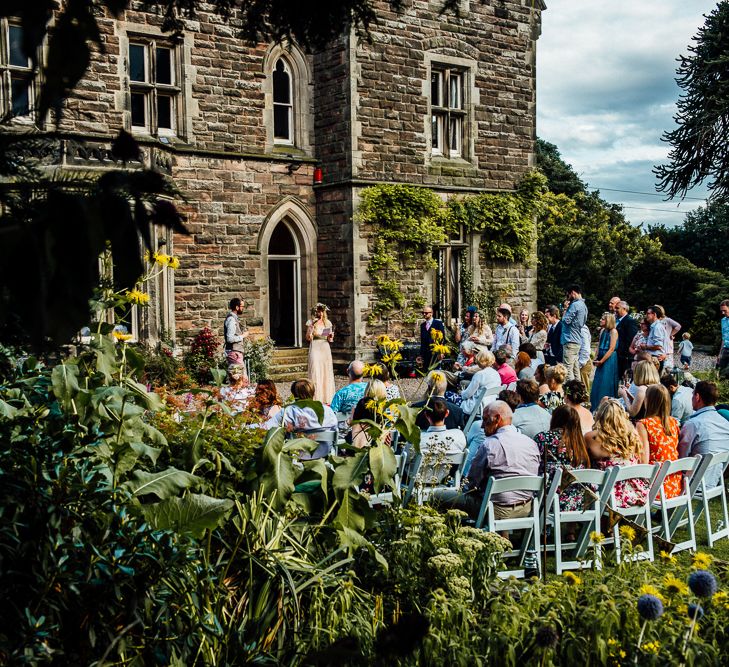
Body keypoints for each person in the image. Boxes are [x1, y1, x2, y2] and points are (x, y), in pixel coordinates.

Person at [442, 401, 540, 519]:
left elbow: (471, 483)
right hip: (526, 508)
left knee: (438, 497)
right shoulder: (530, 443)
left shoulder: (490, 445)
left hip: (494, 509)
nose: (483, 425)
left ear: (497, 418)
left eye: (485, 419)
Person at [585, 400, 648, 508]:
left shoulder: (592, 437)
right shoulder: (632, 436)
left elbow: (584, 461)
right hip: (636, 492)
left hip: (607, 494)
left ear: (599, 415)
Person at [534, 405, 591, 511]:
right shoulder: (580, 443)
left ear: (555, 419)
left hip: (550, 500)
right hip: (578, 502)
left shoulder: (543, 438)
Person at [678, 381, 729, 487]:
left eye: (692, 394)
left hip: (693, 481)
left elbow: (681, 459)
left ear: (697, 397)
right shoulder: (724, 422)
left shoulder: (693, 424)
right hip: (714, 480)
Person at [637, 385, 682, 499]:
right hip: (674, 484)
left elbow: (643, 461)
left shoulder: (644, 424)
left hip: (654, 485)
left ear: (649, 401)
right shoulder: (673, 423)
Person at [413, 398, 467, 485]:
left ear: (426, 415)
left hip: (417, 480)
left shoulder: (417, 439)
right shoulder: (459, 436)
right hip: (443, 479)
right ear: (447, 414)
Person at [263, 379, 338, 431]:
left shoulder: (288, 411)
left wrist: (251, 427)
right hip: (326, 451)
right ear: (313, 393)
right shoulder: (327, 410)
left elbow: (267, 426)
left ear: (294, 395)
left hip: (298, 452)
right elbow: (335, 429)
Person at [305, 303, 335, 403]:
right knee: (315, 369)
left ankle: (326, 397)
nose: (320, 313)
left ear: (324, 312)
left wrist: (331, 336)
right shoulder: (311, 322)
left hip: (325, 347)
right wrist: (311, 330)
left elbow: (330, 340)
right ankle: (316, 396)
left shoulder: (328, 323)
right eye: (318, 311)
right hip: (315, 346)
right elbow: (308, 338)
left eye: (321, 311)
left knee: (325, 369)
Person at [460, 349, 501, 418]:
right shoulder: (496, 374)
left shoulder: (479, 374)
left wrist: (461, 392)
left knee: (450, 397)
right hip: (490, 404)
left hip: (476, 406)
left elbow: (467, 394)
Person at [590, 312, 619, 409]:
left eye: (603, 319)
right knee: (597, 381)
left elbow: (611, 348)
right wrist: (596, 357)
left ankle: (606, 406)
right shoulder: (603, 331)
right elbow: (598, 345)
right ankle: (595, 405)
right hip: (601, 357)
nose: (600, 320)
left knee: (605, 381)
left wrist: (602, 361)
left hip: (609, 359)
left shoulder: (613, 331)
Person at [350, 379, 390, 448]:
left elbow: (353, 422)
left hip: (359, 444)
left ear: (368, 390)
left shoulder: (362, 403)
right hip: (379, 447)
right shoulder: (384, 406)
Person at [560, 284, 588, 382]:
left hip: (569, 340)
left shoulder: (575, 305)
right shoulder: (584, 306)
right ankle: (579, 391)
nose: (567, 298)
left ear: (573, 293)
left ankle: (572, 392)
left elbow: (565, 320)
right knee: (576, 370)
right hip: (577, 340)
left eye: (568, 295)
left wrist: (565, 309)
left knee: (567, 369)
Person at [615, 300, 639, 381]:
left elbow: (631, 339)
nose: (615, 310)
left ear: (624, 309)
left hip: (625, 357)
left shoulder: (630, 321)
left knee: (626, 379)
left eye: (617, 308)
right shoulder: (617, 321)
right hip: (618, 356)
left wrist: (625, 355)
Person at [224, 297, 249, 372]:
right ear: (237, 307)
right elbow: (230, 338)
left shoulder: (234, 318)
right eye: (242, 306)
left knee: (240, 380)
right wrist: (243, 336)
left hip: (236, 353)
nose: (243, 308)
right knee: (239, 380)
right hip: (234, 353)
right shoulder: (231, 319)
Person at [640, 306, 668, 371]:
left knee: (653, 380)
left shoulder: (657, 327)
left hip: (655, 359)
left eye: (648, 313)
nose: (646, 315)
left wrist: (645, 347)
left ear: (654, 314)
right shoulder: (654, 326)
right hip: (654, 358)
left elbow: (658, 346)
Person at [419, 305, 446, 370]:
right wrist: (420, 355)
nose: (424, 314)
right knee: (427, 373)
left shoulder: (438, 323)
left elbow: (442, 339)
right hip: (426, 353)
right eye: (423, 313)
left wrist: (441, 352)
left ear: (431, 313)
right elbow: (422, 341)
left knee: (436, 373)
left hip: (436, 353)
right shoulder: (422, 325)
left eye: (426, 313)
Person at [655, 305, 681, 370]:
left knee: (667, 367)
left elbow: (678, 326)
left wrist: (671, 334)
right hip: (658, 347)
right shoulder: (654, 321)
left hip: (667, 348)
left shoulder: (667, 320)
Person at [578, 323, 593, 393]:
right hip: (580, 361)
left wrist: (579, 364)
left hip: (584, 362)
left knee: (583, 389)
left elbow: (585, 349)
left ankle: (585, 404)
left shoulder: (582, 329)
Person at [719, 300, 729, 375]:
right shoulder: (723, 320)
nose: (723, 313)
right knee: (722, 373)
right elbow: (723, 338)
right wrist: (720, 353)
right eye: (722, 311)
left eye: (724, 310)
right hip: (725, 349)